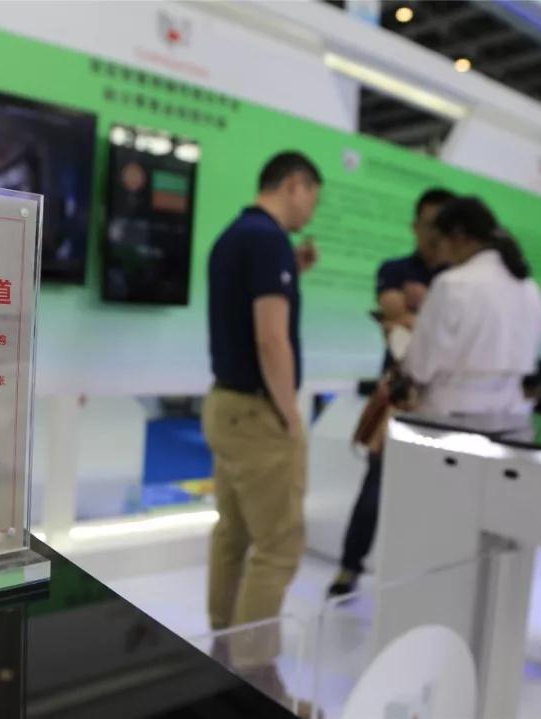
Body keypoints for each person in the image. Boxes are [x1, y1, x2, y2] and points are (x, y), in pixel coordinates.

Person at [203, 152, 321, 644]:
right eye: (313, 197)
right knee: (279, 546)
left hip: (225, 405)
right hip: (258, 414)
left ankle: (222, 647)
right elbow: (271, 339)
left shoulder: (234, 236)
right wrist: (290, 413)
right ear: (294, 184)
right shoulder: (269, 240)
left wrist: (292, 270)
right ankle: (253, 670)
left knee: (233, 533)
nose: (311, 211)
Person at [328, 188, 455, 598]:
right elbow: (394, 314)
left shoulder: (457, 279)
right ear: (415, 226)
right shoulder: (396, 268)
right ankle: (349, 567)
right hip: (398, 397)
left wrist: (418, 310)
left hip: (445, 401)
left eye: (444, 225)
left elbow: (443, 331)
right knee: (375, 484)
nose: (435, 233)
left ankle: (418, 578)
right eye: (429, 223)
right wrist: (426, 314)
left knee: (435, 494)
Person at [400, 196, 541, 415]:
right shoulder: (529, 288)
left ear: (458, 236)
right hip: (509, 411)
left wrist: (401, 342)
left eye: (440, 242)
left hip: (449, 411)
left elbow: (419, 367)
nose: (441, 254)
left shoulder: (452, 284)